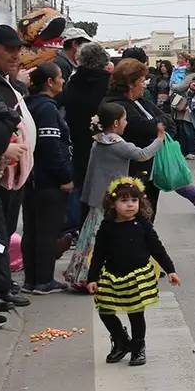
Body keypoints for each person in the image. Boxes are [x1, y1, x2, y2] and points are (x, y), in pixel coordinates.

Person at [64, 103, 165, 291]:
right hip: (112, 198)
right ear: (117, 122)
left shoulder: (99, 141)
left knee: (90, 237)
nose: (127, 123)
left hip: (97, 197)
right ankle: (101, 276)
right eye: (125, 119)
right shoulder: (116, 143)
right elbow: (142, 155)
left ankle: (83, 273)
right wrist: (159, 139)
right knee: (106, 238)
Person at [87, 176, 180, 367]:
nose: (130, 205)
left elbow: (157, 249)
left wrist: (170, 270)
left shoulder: (143, 225)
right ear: (113, 204)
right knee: (105, 310)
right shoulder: (107, 227)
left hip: (138, 276)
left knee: (135, 313)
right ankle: (121, 340)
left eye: (134, 200)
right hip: (112, 275)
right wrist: (92, 278)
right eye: (124, 200)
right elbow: (99, 254)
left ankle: (138, 347)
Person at [0, 24, 33, 310]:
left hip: (11, 174)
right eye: (10, 49)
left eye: (19, 49)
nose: (16, 55)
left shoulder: (2, 78)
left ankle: (1, 286)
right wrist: (3, 148)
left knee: (2, 232)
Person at [21, 63, 73, 295]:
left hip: (31, 179)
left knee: (33, 230)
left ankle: (32, 279)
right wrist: (65, 176)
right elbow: (51, 146)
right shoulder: (47, 109)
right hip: (47, 180)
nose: (63, 81)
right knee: (47, 232)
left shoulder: (29, 106)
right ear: (49, 82)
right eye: (60, 78)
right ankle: (43, 280)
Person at [101, 59, 169, 215]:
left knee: (148, 210)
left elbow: (167, 121)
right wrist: (157, 126)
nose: (144, 85)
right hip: (130, 172)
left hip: (147, 169)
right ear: (131, 84)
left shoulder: (140, 101)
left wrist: (158, 124)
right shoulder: (116, 105)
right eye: (142, 81)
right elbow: (145, 128)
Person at [61, 42, 112, 234]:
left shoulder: (72, 83)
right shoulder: (110, 82)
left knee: (80, 184)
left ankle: (78, 228)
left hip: (77, 138)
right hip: (105, 140)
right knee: (105, 187)